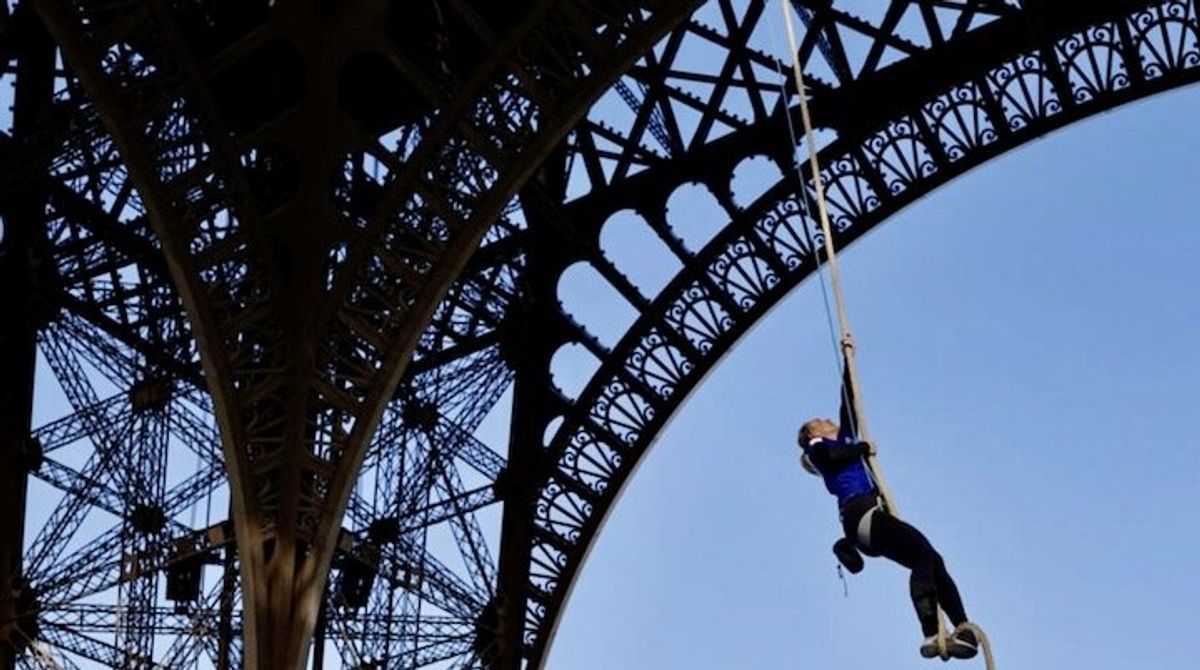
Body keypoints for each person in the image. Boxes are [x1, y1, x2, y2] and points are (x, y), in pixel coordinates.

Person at [797, 335, 978, 660]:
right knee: (922, 554)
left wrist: (848, 359)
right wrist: (863, 448)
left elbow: (849, 399)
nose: (827, 420)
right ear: (814, 433)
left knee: (931, 560)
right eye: (819, 422)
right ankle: (929, 632)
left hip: (869, 521)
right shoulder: (817, 448)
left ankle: (961, 628)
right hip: (861, 514)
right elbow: (833, 459)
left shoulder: (844, 437)